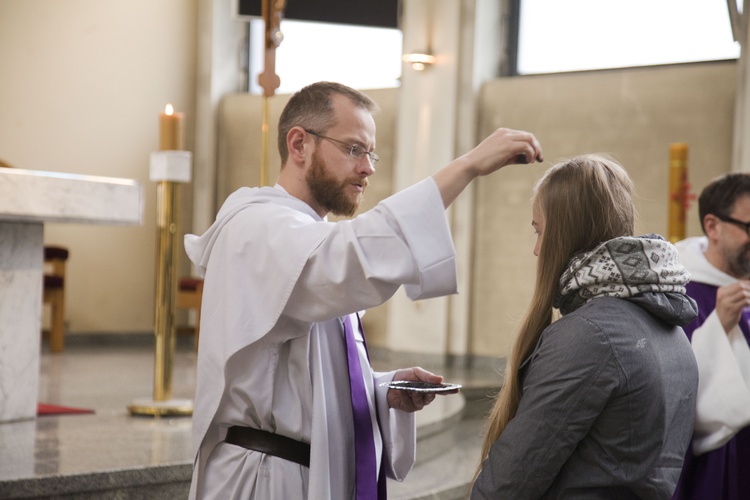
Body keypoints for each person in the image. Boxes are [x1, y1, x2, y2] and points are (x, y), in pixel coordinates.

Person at [183, 81, 544, 499]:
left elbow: (298, 376)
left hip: (302, 472)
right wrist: (465, 166)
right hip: (264, 481)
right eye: (354, 149)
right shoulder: (256, 229)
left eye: (371, 152)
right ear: (299, 144)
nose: (369, 167)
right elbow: (352, 258)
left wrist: (380, 389)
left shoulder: (307, 237)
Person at [471, 154, 699, 499]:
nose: (536, 250)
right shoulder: (671, 326)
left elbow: (509, 482)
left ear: (564, 234)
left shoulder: (589, 335)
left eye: (539, 231)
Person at [672, 173, 750, 500]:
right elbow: (672, 388)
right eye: (749, 227)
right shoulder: (678, 294)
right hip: (717, 467)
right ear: (712, 226)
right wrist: (718, 327)